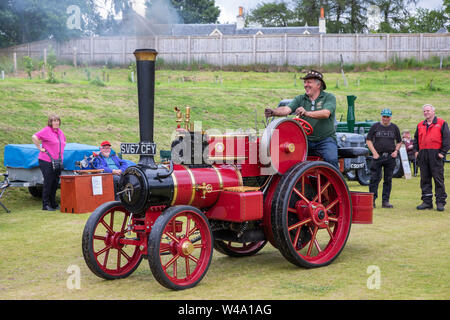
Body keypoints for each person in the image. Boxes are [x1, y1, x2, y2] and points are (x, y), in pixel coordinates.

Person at [264, 70, 339, 169]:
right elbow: (287, 109)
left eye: (309, 82)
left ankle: (335, 182)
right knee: (289, 157)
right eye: (305, 82)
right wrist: (273, 112)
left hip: (325, 140)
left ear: (319, 85)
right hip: (305, 140)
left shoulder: (328, 97)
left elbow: (326, 113)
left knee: (331, 159)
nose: (306, 85)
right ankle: (294, 181)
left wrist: (306, 113)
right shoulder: (300, 99)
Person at [414, 104, 450, 212]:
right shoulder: (420, 125)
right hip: (423, 154)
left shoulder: (442, 123)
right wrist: (416, 151)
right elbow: (415, 139)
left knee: (438, 179)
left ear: (433, 112)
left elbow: (447, 139)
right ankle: (427, 202)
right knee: (424, 179)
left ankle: (440, 202)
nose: (426, 113)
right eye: (424, 111)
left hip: (436, 154)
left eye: (428, 111)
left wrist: (442, 153)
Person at [366, 108, 402, 209]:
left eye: (387, 117)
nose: (385, 119)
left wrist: (396, 151)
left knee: (388, 179)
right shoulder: (375, 126)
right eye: (384, 116)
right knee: (374, 179)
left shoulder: (394, 128)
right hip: (377, 157)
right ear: (381, 116)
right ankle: (372, 201)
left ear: (390, 117)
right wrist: (374, 152)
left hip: (390, 157)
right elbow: (368, 140)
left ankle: (385, 201)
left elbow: (399, 141)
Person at [32, 114, 66, 211]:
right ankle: (45, 205)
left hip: (58, 161)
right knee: (48, 182)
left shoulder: (60, 132)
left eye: (57, 121)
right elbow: (34, 137)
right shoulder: (46, 130)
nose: (56, 122)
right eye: (53, 121)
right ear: (50, 122)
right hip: (46, 160)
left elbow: (64, 142)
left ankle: (53, 203)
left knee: (55, 182)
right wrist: (39, 148)